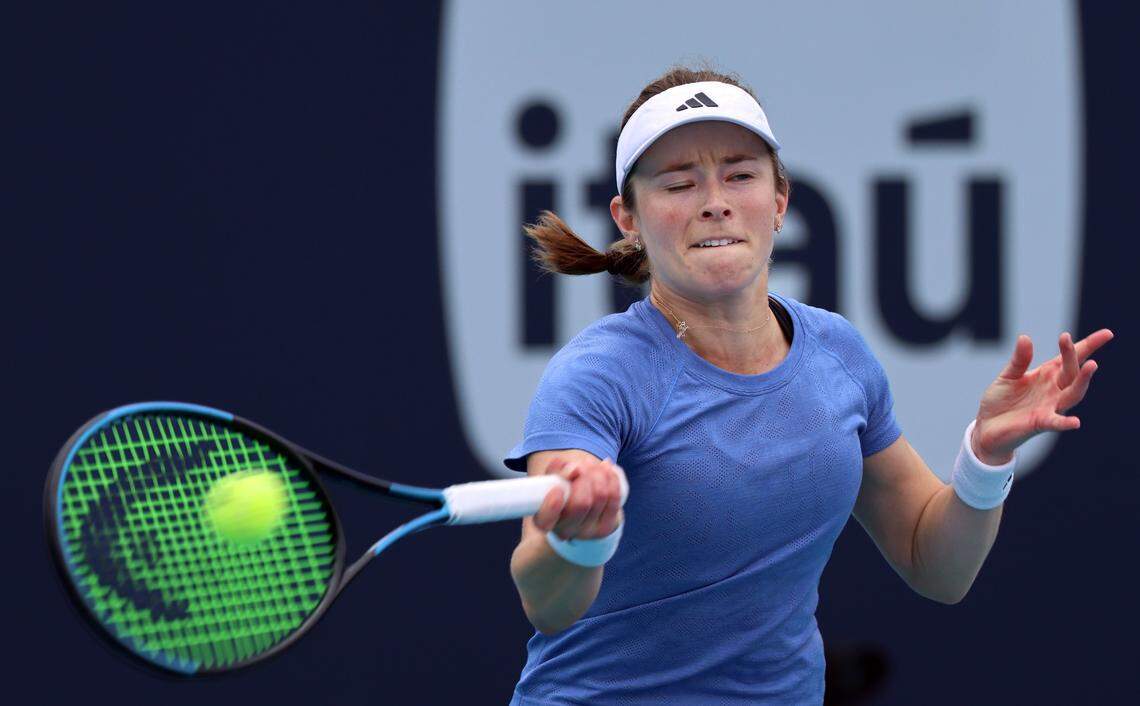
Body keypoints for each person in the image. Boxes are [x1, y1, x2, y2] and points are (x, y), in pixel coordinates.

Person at [504, 65, 1113, 705]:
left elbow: (935, 565)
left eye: (741, 175)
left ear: (780, 201)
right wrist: (580, 538)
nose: (715, 201)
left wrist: (986, 457)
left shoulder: (837, 352)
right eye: (678, 183)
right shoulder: (596, 376)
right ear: (627, 216)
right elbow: (546, 603)